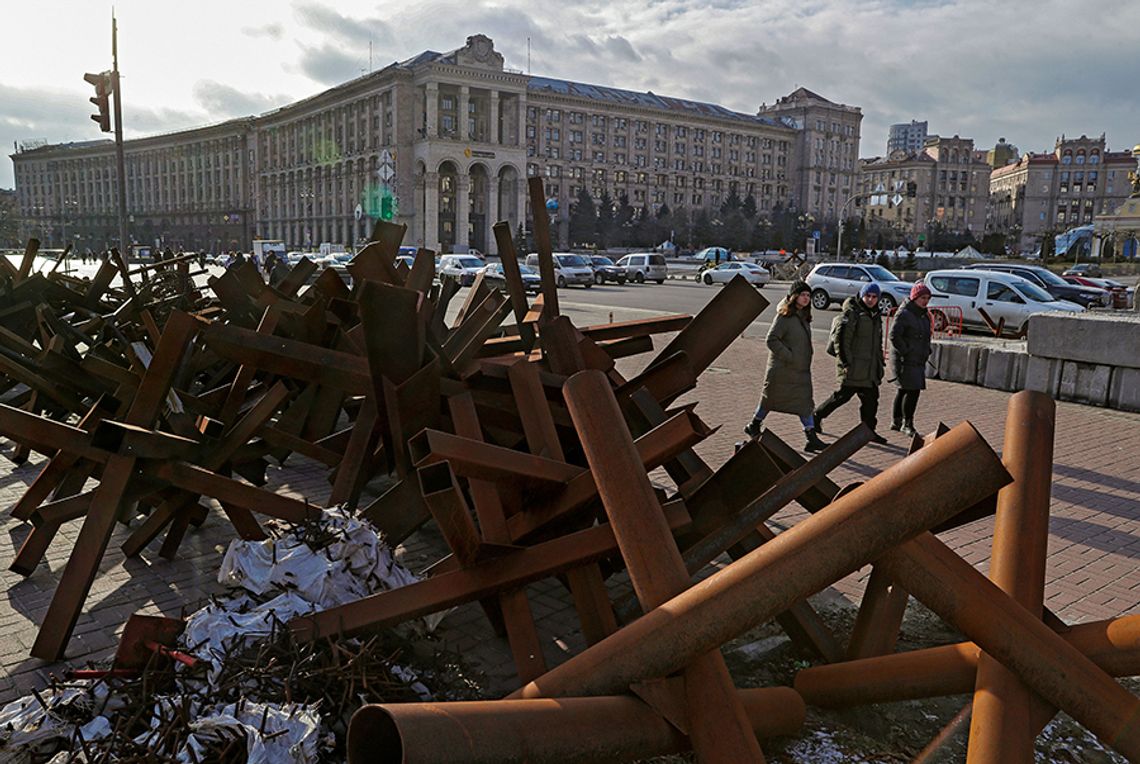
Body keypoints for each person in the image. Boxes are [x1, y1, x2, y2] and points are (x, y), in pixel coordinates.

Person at [744, 281, 828, 453]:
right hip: (783, 369)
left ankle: (811, 437)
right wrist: (790, 357)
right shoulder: (785, 316)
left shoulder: (803, 316)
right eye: (803, 295)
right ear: (794, 296)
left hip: (798, 370)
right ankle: (754, 424)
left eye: (808, 295)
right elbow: (771, 339)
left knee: (804, 403)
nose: (806, 298)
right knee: (769, 400)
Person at [813, 282, 887, 444]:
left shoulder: (875, 315)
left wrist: (879, 361)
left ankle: (868, 431)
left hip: (869, 369)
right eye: (868, 296)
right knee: (841, 397)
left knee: (871, 401)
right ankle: (817, 415)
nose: (870, 299)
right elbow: (842, 340)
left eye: (874, 297)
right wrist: (846, 362)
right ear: (862, 295)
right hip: (853, 367)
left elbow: (877, 342)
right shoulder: (852, 313)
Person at [889, 282, 934, 437]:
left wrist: (927, 349)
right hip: (905, 359)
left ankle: (896, 420)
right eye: (922, 298)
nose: (925, 301)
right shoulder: (905, 313)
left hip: (918, 358)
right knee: (912, 391)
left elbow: (925, 335)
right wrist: (906, 351)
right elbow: (894, 335)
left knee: (904, 390)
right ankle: (907, 424)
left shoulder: (923, 315)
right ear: (915, 297)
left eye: (927, 298)